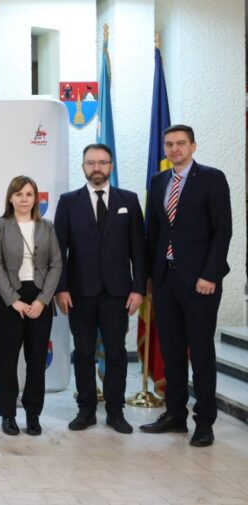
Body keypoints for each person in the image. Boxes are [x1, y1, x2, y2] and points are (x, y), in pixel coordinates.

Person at [140, 125, 232, 447]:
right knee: (173, 352)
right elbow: (153, 233)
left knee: (202, 353)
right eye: (169, 144)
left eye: (181, 143)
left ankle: (204, 422)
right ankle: (175, 415)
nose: (175, 149)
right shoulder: (158, 181)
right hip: (165, 280)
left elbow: (223, 231)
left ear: (193, 145)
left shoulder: (212, 178)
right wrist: (149, 276)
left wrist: (211, 275)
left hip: (200, 283)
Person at [54, 144, 146, 434]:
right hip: (79, 293)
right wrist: (61, 289)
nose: (97, 167)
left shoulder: (128, 201)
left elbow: (139, 250)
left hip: (118, 293)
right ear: (83, 166)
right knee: (83, 353)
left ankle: (116, 412)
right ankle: (86, 410)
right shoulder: (68, 202)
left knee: (116, 353)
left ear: (111, 167)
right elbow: (59, 251)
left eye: (102, 162)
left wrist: (138, 289)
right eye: (91, 162)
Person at [0, 176, 62, 436]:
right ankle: (8, 415)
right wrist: (13, 300)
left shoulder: (47, 226)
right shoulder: (1, 225)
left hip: (40, 296)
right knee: (7, 360)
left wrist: (42, 300)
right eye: (18, 194)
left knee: (37, 360)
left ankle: (33, 414)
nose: (24, 199)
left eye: (29, 194)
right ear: (10, 198)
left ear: (36, 198)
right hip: (9, 298)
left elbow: (56, 264)